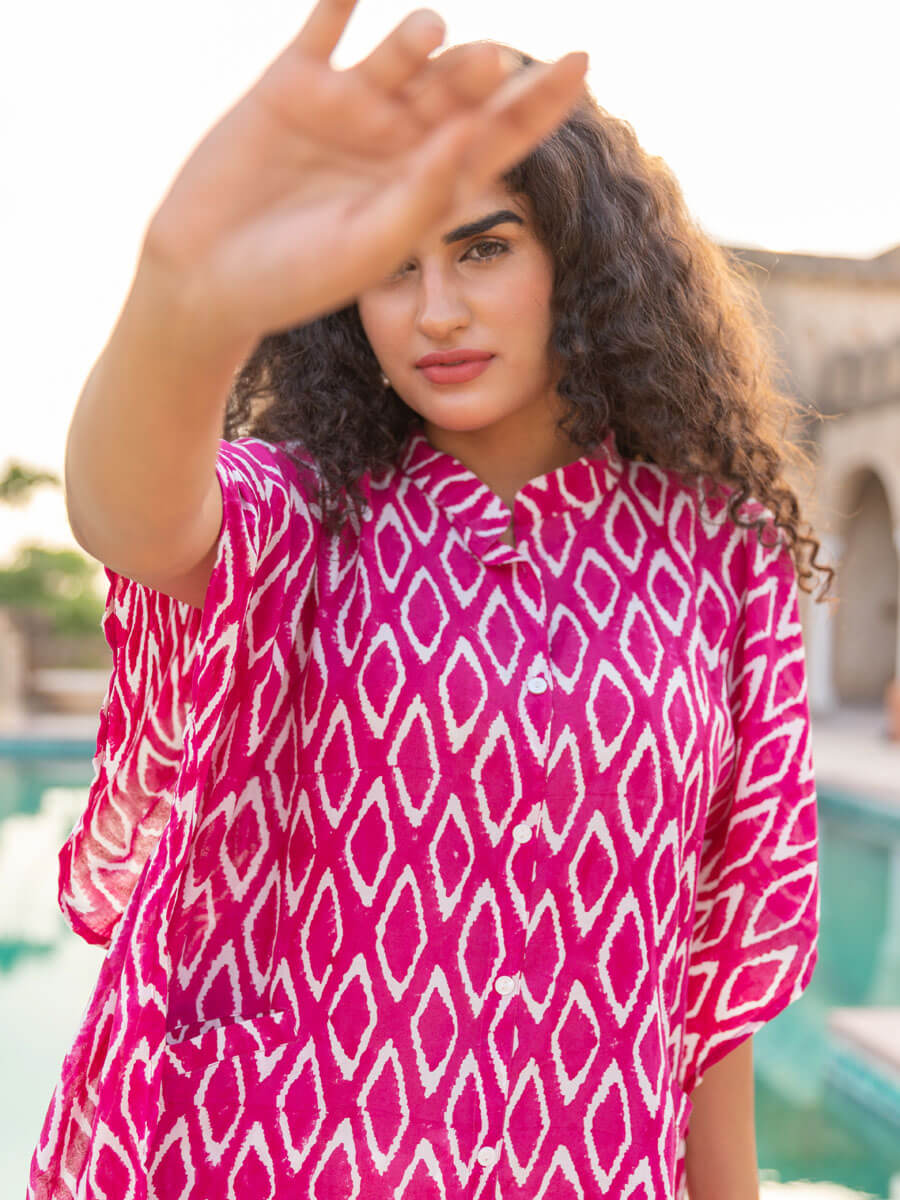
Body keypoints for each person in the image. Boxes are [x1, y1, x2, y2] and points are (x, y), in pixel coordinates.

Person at [29, 2, 832, 1197]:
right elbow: (131, 516)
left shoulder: (720, 556)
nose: (435, 311)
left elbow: (709, 980)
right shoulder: (306, 514)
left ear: (581, 257)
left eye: (484, 249)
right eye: (390, 267)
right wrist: (183, 290)